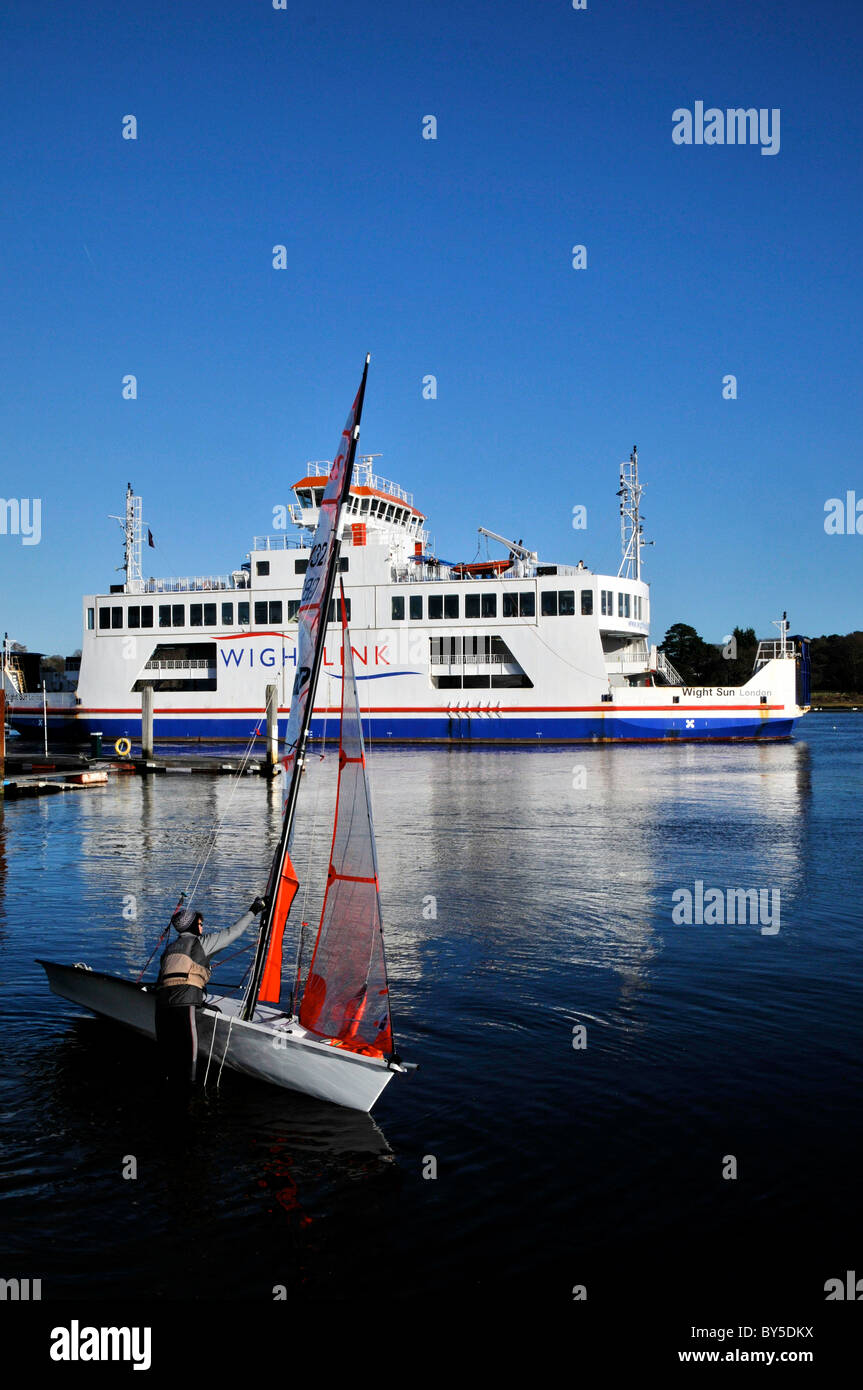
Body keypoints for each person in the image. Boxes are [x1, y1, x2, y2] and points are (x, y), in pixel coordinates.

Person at [154, 898, 265, 1083]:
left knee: (169, 1057)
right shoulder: (201, 943)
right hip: (185, 1004)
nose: (202, 927)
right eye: (200, 924)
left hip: (162, 1006)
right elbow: (234, 931)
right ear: (192, 926)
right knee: (189, 1057)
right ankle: (189, 1098)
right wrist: (253, 910)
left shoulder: (170, 949)